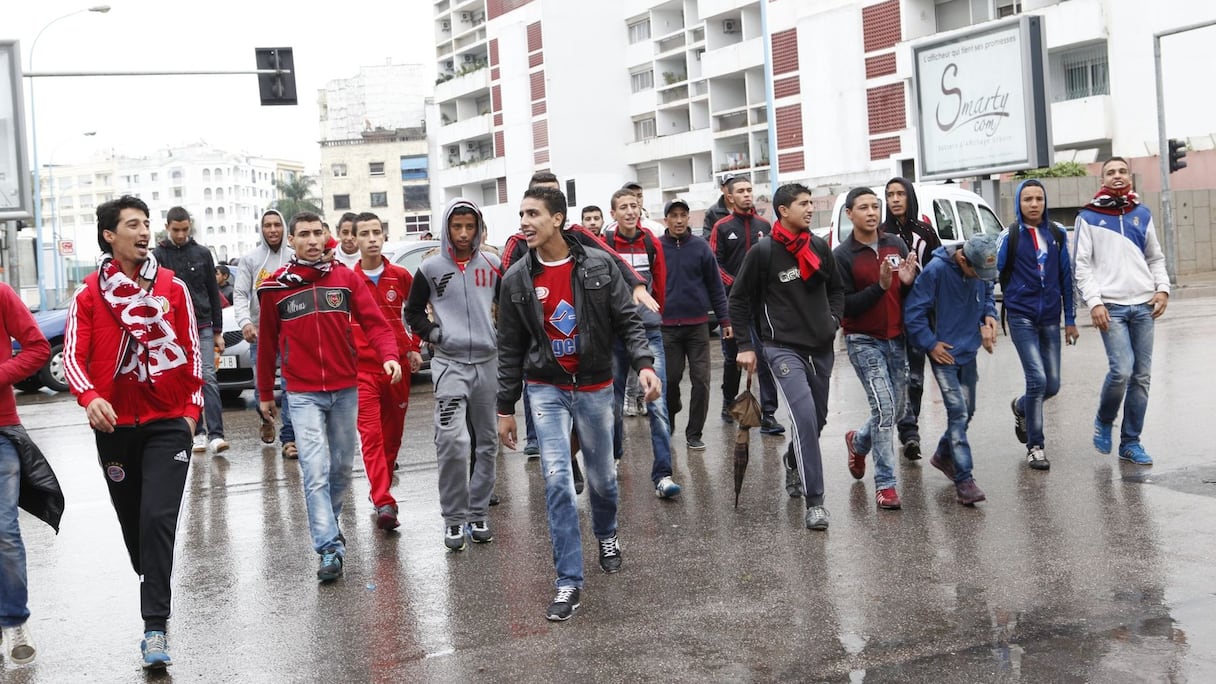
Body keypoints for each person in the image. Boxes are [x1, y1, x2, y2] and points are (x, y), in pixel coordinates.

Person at [496, 186, 661, 621]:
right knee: (557, 482)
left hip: (594, 386)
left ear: (558, 219)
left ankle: (607, 533)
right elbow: (510, 347)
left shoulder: (599, 265)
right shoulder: (516, 278)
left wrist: (644, 363)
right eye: (521, 214)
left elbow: (628, 319)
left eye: (533, 214)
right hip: (545, 389)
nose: (525, 222)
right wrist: (505, 408)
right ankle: (568, 581)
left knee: (603, 479)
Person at [64, 195, 204, 669]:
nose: (144, 232)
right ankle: (153, 576)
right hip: (115, 427)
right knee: (136, 534)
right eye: (132, 225)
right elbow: (72, 358)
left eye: (147, 224)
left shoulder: (172, 288)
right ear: (110, 235)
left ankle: (154, 628)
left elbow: (192, 350)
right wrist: (90, 398)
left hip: (169, 423)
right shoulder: (88, 294)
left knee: (156, 520)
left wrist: (191, 412)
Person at [256, 212, 402, 582]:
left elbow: (375, 323)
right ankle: (328, 548)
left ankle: (329, 520)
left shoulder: (345, 279)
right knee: (315, 470)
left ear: (326, 237)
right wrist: (264, 394)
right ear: (292, 241)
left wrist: (389, 355)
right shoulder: (275, 288)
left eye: (317, 233)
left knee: (339, 467)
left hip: (345, 388)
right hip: (301, 393)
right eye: (303, 234)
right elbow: (267, 345)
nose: (311, 239)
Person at [730, 183, 842, 529]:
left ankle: (793, 462)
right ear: (783, 210)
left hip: (821, 347)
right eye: (803, 204)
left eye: (811, 203)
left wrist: (833, 320)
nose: (810, 209)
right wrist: (746, 346)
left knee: (817, 420)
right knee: (804, 416)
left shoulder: (820, 247)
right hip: (782, 348)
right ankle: (816, 502)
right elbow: (738, 300)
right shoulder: (763, 252)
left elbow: (837, 289)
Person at [405, 199, 501, 550]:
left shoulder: (492, 264)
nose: (463, 234)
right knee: (453, 441)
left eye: (469, 227)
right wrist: (433, 334)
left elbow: (509, 305)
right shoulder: (430, 268)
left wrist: (501, 337)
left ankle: (478, 513)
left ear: (478, 228)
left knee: (487, 442)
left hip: (488, 364)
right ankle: (453, 519)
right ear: (446, 228)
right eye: (456, 227)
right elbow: (412, 312)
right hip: (449, 363)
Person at [1074, 157, 1170, 466]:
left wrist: (1162, 288)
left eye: (1122, 171)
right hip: (1111, 307)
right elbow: (1082, 265)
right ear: (1102, 179)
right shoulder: (1088, 217)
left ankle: (1130, 442)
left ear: (1129, 177)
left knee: (1141, 377)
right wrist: (1095, 302)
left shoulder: (1141, 213)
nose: (1117, 176)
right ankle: (1104, 419)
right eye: (1111, 172)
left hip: (1143, 305)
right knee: (1122, 370)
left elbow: (1155, 256)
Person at [834, 188, 918, 510]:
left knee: (896, 410)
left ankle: (857, 442)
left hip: (896, 338)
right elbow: (846, 307)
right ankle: (886, 485)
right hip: (863, 339)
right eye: (864, 207)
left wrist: (907, 281)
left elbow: (906, 292)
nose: (871, 212)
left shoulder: (894, 244)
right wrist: (880, 287)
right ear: (849, 214)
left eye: (875, 206)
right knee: (884, 409)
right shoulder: (842, 256)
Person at [904, 233, 999, 506]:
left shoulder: (980, 272)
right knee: (958, 411)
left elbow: (988, 291)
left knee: (967, 411)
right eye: (976, 272)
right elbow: (913, 312)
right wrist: (930, 344)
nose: (980, 277)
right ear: (962, 259)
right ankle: (964, 480)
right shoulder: (936, 271)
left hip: (969, 352)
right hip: (943, 354)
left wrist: (989, 315)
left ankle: (944, 455)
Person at [998, 180, 1079, 471]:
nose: (1034, 204)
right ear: (1019, 203)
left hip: (1050, 318)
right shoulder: (1011, 235)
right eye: (1028, 199)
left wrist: (1069, 319)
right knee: (1037, 380)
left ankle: (1021, 406)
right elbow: (991, 271)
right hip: (1021, 316)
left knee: (1052, 384)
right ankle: (1035, 447)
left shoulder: (1057, 233)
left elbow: (1066, 278)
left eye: (1039, 199)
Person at [603, 189, 679, 497]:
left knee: (658, 405)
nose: (630, 211)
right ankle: (614, 457)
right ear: (614, 214)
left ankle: (663, 475)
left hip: (649, 333)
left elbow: (660, 283)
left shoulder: (651, 241)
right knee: (613, 405)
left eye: (634, 206)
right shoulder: (606, 245)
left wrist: (653, 314)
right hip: (616, 336)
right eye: (623, 207)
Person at [352, 212, 423, 531]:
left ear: (383, 236)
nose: (371, 238)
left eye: (376, 232)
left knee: (392, 433)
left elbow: (419, 309)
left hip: (397, 368)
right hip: (362, 370)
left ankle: (384, 479)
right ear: (354, 240)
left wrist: (414, 345)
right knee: (371, 434)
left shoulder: (400, 275)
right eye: (364, 233)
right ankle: (383, 499)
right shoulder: (348, 281)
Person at [0, 281, 57, 666]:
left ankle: (14, 622)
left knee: (4, 531)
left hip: (0, 430)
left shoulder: (1, 294)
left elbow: (37, 347)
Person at [710, 176, 783, 435]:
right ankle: (729, 402)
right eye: (740, 191)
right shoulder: (721, 227)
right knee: (733, 359)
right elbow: (713, 265)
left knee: (765, 357)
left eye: (749, 189)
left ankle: (769, 414)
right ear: (730, 197)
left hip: (761, 305)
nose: (746, 194)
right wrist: (737, 282)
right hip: (733, 304)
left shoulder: (764, 225)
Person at [658, 198, 732, 451]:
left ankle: (694, 433)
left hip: (697, 326)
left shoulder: (701, 248)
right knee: (670, 380)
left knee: (701, 380)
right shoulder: (656, 248)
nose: (679, 220)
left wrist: (724, 320)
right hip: (666, 327)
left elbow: (716, 286)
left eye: (683, 215)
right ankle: (670, 416)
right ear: (665, 219)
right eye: (674, 215)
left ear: (689, 218)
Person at [154, 206, 228, 455]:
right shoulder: (157, 256)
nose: (180, 234)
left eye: (185, 229)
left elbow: (212, 292)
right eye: (176, 230)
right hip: (174, 329)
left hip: (204, 324)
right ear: (167, 227)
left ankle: (217, 434)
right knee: (185, 380)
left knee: (208, 377)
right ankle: (197, 433)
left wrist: (218, 331)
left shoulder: (202, 253)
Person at [883, 177, 942, 461]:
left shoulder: (926, 233)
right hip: (890, 315)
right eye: (890, 194)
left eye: (900, 194)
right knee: (899, 376)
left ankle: (910, 430)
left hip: (920, 316)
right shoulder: (880, 233)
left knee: (916, 378)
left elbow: (939, 270)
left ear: (909, 197)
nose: (895, 199)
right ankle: (905, 430)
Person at [233, 210, 296, 456]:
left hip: (290, 331)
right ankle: (266, 419)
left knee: (291, 385)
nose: (272, 230)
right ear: (261, 229)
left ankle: (289, 438)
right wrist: (245, 322)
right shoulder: (250, 259)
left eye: (276, 225)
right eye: (267, 225)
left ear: (283, 227)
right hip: (260, 333)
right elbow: (240, 294)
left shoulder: (293, 256)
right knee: (263, 386)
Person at [701, 174, 734, 239]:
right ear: (722, 189)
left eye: (733, 186)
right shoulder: (712, 212)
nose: (731, 189)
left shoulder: (745, 208)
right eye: (728, 186)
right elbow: (707, 237)